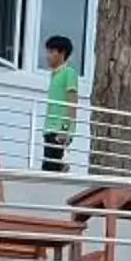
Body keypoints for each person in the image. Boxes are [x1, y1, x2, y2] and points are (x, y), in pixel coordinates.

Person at [40, 33, 79, 172]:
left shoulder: (69, 73)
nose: (48, 56)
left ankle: (63, 168)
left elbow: (72, 102)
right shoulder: (54, 75)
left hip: (59, 130)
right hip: (50, 129)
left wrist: (65, 129)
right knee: (48, 167)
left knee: (51, 169)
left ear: (62, 53)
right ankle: (62, 167)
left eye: (51, 52)